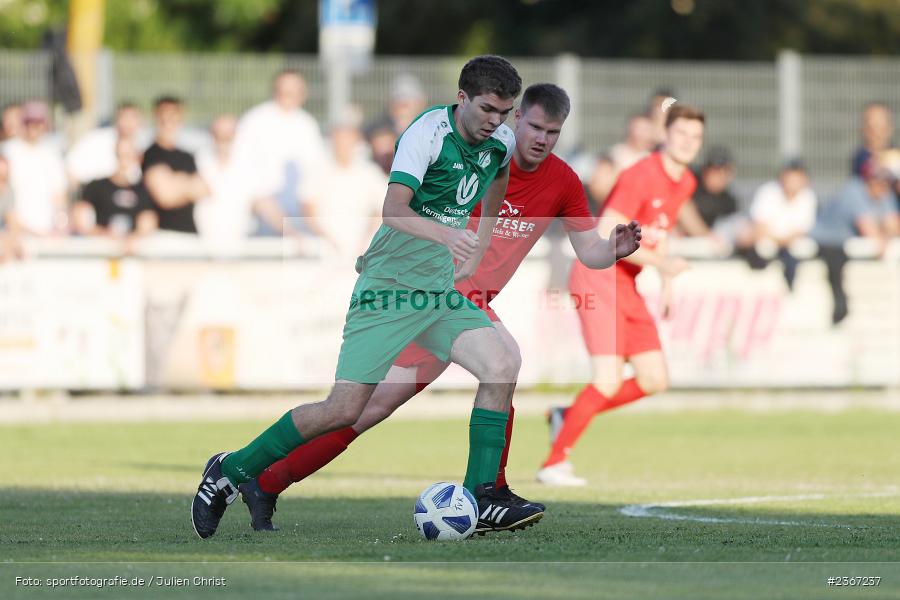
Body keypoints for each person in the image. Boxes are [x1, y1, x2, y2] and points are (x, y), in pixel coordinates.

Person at [232, 83, 641, 534]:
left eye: (554, 131)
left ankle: (266, 482)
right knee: (497, 364)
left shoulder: (562, 180)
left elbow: (590, 253)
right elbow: (411, 207)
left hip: (458, 307)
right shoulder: (479, 157)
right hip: (433, 295)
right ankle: (488, 495)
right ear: (517, 119)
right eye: (535, 126)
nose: (542, 139)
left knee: (368, 409)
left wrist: (613, 250)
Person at [191, 55, 534, 540]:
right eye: (487, 110)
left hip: (438, 291)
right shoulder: (427, 134)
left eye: (504, 112)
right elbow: (393, 210)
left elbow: (498, 178)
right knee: (344, 409)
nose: (496, 122)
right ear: (462, 98)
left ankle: (482, 495)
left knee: (501, 364)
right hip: (389, 288)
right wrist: (448, 237)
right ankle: (231, 470)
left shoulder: (499, 138)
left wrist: (479, 238)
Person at [538, 103, 705, 487]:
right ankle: (554, 462)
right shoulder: (641, 175)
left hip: (626, 282)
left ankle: (568, 414)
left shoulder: (685, 182)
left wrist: (666, 281)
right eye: (681, 134)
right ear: (665, 134)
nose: (688, 143)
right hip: (598, 274)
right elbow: (608, 230)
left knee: (654, 379)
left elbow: (659, 233)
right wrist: (662, 268)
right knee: (608, 380)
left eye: (695, 137)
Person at [231, 69, 325, 235]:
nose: (289, 95)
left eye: (294, 90)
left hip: (302, 211)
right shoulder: (255, 120)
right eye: (285, 90)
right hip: (261, 213)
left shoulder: (307, 124)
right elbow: (241, 170)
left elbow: (316, 170)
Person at [812, 157, 899, 325]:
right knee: (837, 289)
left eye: (885, 182)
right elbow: (870, 231)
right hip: (826, 243)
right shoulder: (853, 190)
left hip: (844, 247)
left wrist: (885, 235)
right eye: (877, 180)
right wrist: (884, 235)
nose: (882, 186)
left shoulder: (883, 192)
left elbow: (893, 226)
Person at [194, 114, 290, 252]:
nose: (223, 139)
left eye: (228, 134)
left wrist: (291, 232)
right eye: (218, 134)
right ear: (211, 134)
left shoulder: (248, 166)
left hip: (238, 246)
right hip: (199, 246)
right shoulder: (198, 159)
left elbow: (263, 202)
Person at [301, 113, 389, 257]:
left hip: (362, 249)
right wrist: (327, 240)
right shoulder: (317, 171)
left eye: (348, 141)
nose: (343, 146)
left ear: (356, 143)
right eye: (339, 141)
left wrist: (367, 239)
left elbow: (382, 208)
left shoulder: (370, 173)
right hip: (324, 250)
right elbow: (308, 209)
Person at [142, 96, 209, 234]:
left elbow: (204, 189)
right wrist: (187, 184)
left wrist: (175, 182)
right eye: (164, 117)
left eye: (173, 117)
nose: (168, 122)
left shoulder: (187, 156)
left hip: (190, 234)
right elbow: (165, 196)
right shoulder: (151, 154)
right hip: (162, 234)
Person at [747, 158, 817, 290]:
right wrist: (779, 241)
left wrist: (782, 241)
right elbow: (760, 228)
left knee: (803, 248)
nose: (793, 182)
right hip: (769, 244)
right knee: (764, 248)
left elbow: (802, 231)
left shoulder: (808, 196)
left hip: (788, 246)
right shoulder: (767, 191)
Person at [1, 100, 67, 236]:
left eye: (38, 122)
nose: (33, 127)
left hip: (47, 232)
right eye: (29, 122)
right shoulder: (8, 151)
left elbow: (59, 195)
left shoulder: (52, 154)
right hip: (13, 233)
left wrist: (61, 226)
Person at [71, 137, 157, 239]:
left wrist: (131, 240)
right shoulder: (96, 187)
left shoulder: (143, 190)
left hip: (130, 250)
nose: (124, 161)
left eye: (128, 156)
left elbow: (148, 222)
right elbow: (80, 219)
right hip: (102, 248)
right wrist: (103, 234)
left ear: (137, 158)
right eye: (121, 155)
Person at [66, 103, 146, 187]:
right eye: (124, 118)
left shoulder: (145, 144)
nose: (127, 123)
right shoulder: (95, 140)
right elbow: (71, 169)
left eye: (132, 118)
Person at [851, 103, 894, 177]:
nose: (876, 133)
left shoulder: (895, 157)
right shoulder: (860, 158)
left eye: (881, 127)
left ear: (889, 128)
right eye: (871, 127)